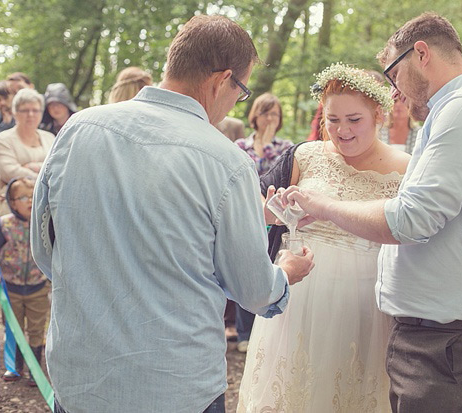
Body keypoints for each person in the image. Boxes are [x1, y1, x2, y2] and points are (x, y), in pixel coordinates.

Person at [30, 15, 314, 413]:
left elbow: (45, 251)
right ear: (222, 80)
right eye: (242, 90)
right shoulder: (225, 162)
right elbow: (252, 289)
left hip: (81, 379)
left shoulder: (78, 129)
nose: (238, 101)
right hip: (175, 386)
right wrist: (284, 272)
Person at [281, 13, 462, 411]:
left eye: (393, 75)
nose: (394, 91)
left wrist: (323, 205)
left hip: (452, 344)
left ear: (421, 54)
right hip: (437, 338)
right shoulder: (454, 111)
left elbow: (410, 220)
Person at [238, 63, 408, 412]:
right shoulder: (305, 155)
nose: (342, 130)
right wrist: (272, 213)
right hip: (300, 293)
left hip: (365, 301)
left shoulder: (405, 167)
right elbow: (253, 203)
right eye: (333, 120)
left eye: (354, 119)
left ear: (378, 114)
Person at [233, 92, 294, 353]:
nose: (270, 118)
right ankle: (243, 332)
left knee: (269, 267)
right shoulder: (240, 146)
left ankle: (267, 330)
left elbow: (275, 173)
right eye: (265, 113)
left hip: (276, 218)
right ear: (254, 116)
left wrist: (269, 143)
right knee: (243, 267)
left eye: (275, 114)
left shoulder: (286, 147)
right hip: (246, 213)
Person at [0, 177, 49, 387]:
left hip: (37, 287)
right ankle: (15, 367)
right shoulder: (5, 225)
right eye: (23, 197)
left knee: (37, 329)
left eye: (33, 195)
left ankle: (34, 369)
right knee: (13, 327)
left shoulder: (43, 221)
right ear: (11, 200)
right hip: (11, 289)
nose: (29, 201)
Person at [0, 88, 55, 217]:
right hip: (11, 210)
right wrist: (43, 174)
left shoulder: (50, 138)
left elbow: (57, 168)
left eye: (35, 110)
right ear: (15, 112)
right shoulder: (2, 139)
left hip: (45, 206)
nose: (31, 114)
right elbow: (9, 172)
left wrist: (30, 167)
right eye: (25, 110)